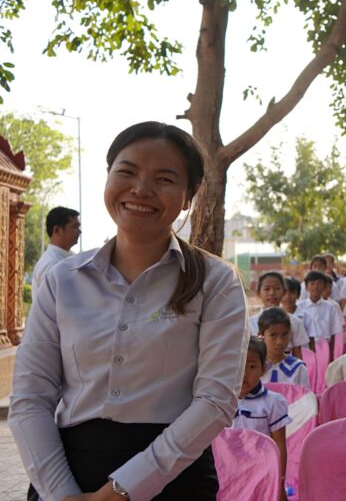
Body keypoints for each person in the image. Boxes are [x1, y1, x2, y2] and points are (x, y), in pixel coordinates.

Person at [11, 121, 248, 500]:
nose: (141, 189)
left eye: (165, 179)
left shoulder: (215, 283)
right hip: (66, 474)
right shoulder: (62, 280)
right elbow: (30, 397)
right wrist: (62, 494)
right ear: (108, 176)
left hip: (174, 478)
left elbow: (215, 402)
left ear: (188, 197)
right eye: (127, 171)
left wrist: (120, 491)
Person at [232, 337, 288, 501]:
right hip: (230, 471)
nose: (244, 374)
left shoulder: (272, 402)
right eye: (239, 366)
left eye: (251, 367)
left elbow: (280, 444)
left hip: (261, 471)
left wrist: (280, 481)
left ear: (263, 368)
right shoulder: (222, 401)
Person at [249, 272, 310, 357]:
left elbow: (297, 353)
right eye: (267, 289)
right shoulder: (250, 323)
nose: (272, 293)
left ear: (284, 291)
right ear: (258, 293)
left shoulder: (294, 322)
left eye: (277, 288)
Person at [31, 206, 82, 292]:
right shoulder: (51, 264)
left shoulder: (64, 260)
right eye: (75, 227)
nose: (80, 231)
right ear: (57, 230)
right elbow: (49, 303)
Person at [258, 308, 311, 389]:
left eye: (285, 334)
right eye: (273, 335)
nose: (280, 341)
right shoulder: (255, 367)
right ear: (261, 335)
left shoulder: (298, 368)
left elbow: (304, 398)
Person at [296, 270, 344, 355]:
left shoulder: (330, 307)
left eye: (319, 284)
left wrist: (332, 354)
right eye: (312, 284)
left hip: (325, 348)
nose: (316, 287)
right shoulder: (299, 307)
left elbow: (334, 333)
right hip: (305, 349)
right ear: (306, 287)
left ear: (324, 286)